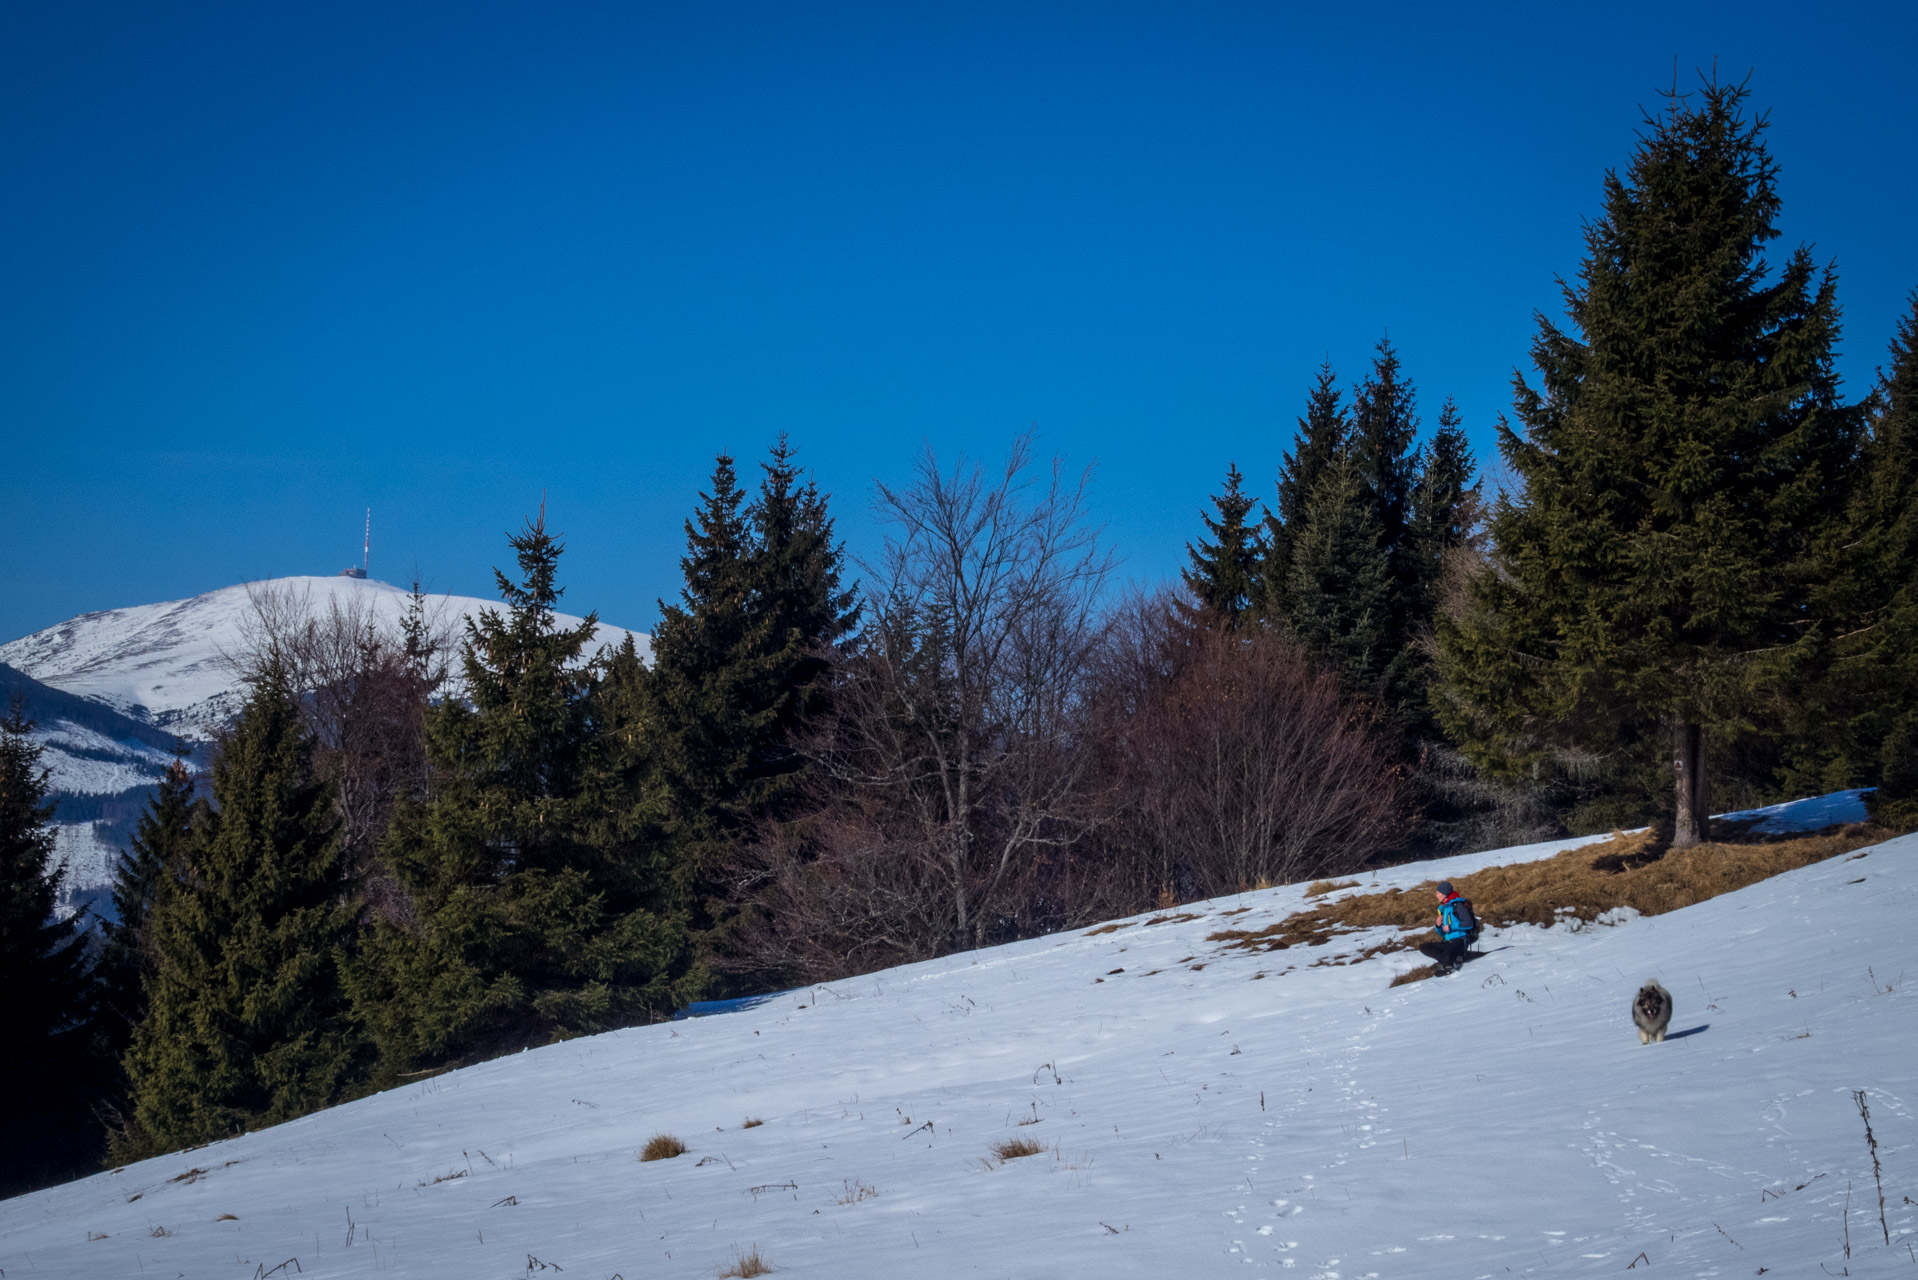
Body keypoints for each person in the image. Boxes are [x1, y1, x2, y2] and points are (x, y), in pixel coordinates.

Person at [1417, 880, 1476, 975]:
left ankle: (1449, 967)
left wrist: (1451, 927)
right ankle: (1453, 958)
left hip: (1460, 940)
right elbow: (1443, 933)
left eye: (1438, 893)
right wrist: (1438, 925)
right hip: (1448, 941)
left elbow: (1469, 923)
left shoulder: (1458, 905)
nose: (1436, 896)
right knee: (1424, 947)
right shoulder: (1444, 909)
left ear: (1444, 893)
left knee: (1448, 950)